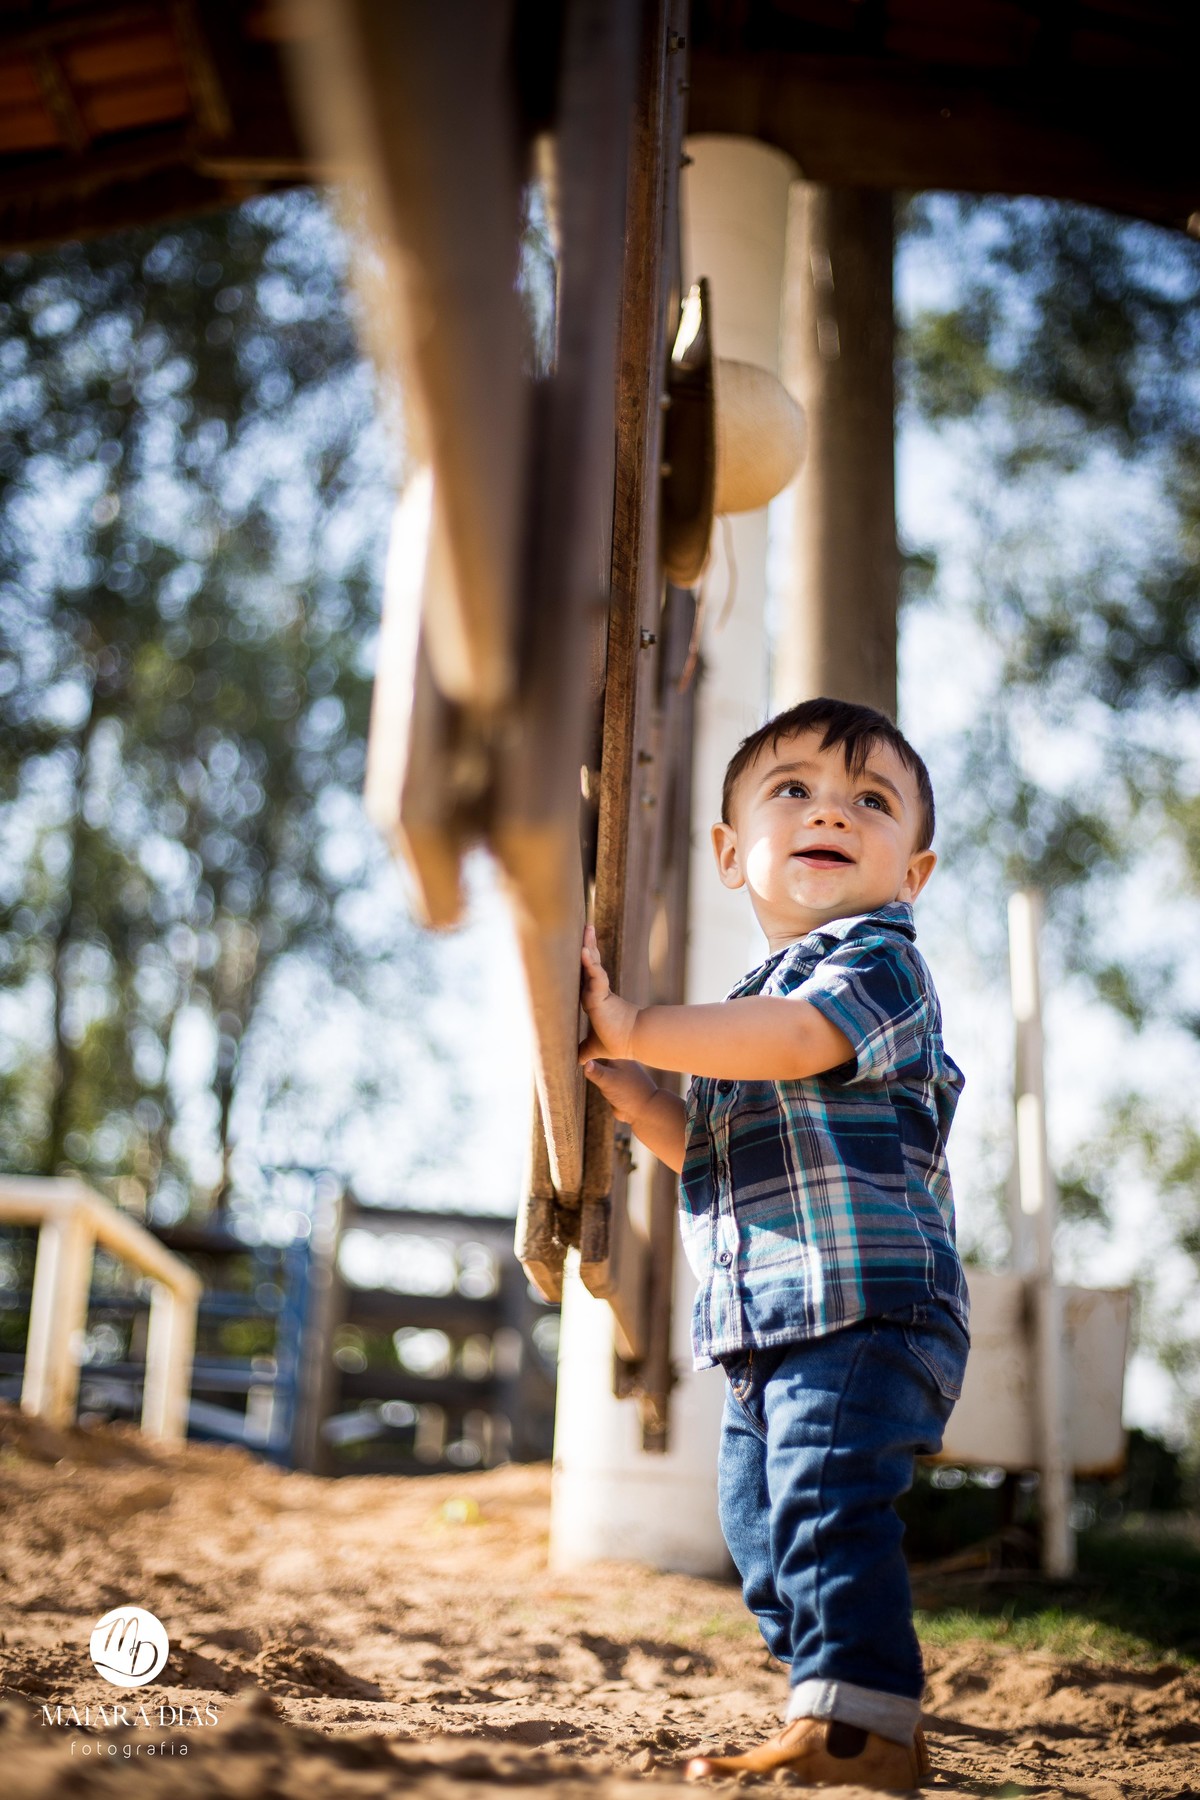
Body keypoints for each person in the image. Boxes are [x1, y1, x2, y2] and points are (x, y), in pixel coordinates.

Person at [579, 696, 970, 1791]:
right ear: (730, 851)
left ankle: (856, 1726)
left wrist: (639, 1024)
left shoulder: (877, 964)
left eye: (871, 801)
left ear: (912, 874)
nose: (830, 811)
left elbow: (799, 1042)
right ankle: (853, 1710)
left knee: (824, 1504)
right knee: (762, 1534)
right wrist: (638, 1095)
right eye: (792, 790)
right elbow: (713, 1149)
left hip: (866, 1309)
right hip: (772, 1328)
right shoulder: (750, 1005)